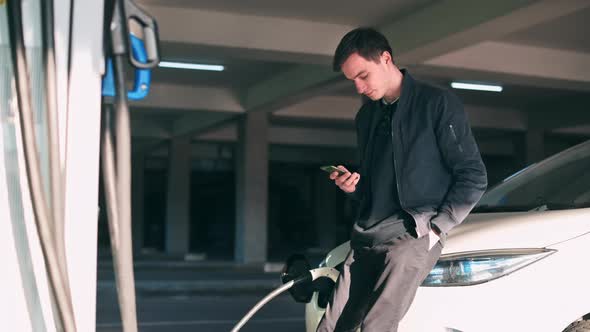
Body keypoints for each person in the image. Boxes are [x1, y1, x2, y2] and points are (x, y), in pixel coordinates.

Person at [317, 27, 488, 332]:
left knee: (376, 326)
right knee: (331, 326)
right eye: (352, 81)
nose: (358, 88)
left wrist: (436, 228)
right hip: (366, 236)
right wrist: (354, 186)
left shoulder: (437, 103)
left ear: (386, 59)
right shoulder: (366, 116)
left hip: (411, 235)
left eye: (363, 76)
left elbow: (473, 175)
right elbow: (374, 185)